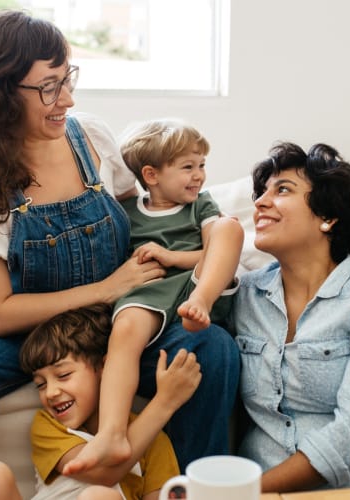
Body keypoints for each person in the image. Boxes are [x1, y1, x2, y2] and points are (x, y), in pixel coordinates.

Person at [0, 10, 240, 498]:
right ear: (2, 94)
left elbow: (140, 220)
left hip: (120, 316)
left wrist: (187, 257)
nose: (67, 99)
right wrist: (101, 288)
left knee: (212, 349)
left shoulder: (90, 137)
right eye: (49, 87)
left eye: (67, 78)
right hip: (28, 330)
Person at [230, 142, 350, 492]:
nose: (259, 202)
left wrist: (242, 493)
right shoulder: (245, 295)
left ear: (328, 216)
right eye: (261, 192)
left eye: (283, 190)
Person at [66, 119, 244, 471]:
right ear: (151, 175)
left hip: (196, 283)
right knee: (127, 329)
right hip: (150, 290)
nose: (199, 176)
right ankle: (112, 433)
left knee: (229, 227)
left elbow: (216, 251)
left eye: (202, 165)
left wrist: (174, 257)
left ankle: (202, 305)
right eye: (187, 167)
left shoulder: (201, 207)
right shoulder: (128, 214)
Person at [0, 304, 201, 500]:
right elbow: (99, 473)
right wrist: (165, 402)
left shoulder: (154, 441)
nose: (51, 392)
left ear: (105, 367)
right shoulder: (49, 426)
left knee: (98, 497)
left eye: (63, 375)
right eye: (40, 384)